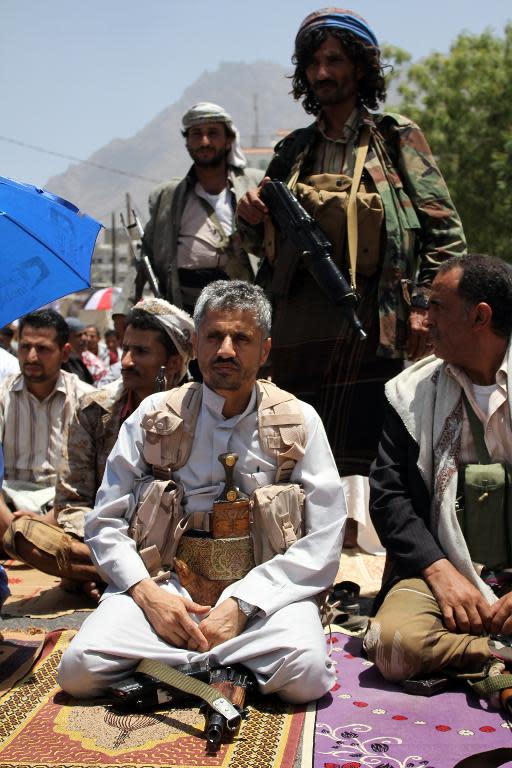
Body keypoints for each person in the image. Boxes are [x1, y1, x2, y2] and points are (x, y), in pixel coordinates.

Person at [58, 280, 345, 705]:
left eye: (241, 338)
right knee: (78, 670)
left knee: (307, 675)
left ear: (264, 350)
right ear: (195, 344)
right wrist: (148, 595)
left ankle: (173, 669)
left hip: (263, 598)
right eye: (213, 336)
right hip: (169, 585)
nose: (225, 350)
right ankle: (224, 668)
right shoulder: (153, 416)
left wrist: (244, 604)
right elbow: (104, 523)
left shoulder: (299, 421)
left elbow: (325, 537)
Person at [238, 8, 466, 480]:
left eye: (334, 60)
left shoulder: (393, 137)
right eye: (313, 63)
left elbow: (444, 234)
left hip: (369, 329)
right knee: (293, 461)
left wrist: (425, 306)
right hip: (296, 333)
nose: (322, 72)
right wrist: (250, 217)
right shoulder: (292, 151)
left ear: (359, 66)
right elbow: (260, 244)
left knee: (370, 466)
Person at [363, 254, 512, 695]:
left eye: (438, 307)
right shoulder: (409, 392)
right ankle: (497, 659)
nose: (424, 321)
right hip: (440, 568)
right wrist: (439, 570)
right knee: (392, 644)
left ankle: (474, 654)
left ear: (480, 317)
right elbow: (389, 497)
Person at [3, 299, 194, 599]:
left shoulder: (200, 413)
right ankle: (122, 576)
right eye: (125, 348)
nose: (126, 361)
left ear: (172, 363)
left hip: (177, 545)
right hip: (106, 539)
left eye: (141, 352)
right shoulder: (94, 410)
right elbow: (73, 502)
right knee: (25, 536)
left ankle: (104, 577)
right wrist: (111, 544)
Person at [114, 102, 264, 328]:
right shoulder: (167, 196)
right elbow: (145, 254)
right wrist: (122, 310)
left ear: (229, 139)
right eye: (197, 134)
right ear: (187, 142)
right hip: (185, 314)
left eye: (213, 133)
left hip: (244, 311)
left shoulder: (255, 183)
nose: (204, 141)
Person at [0, 309, 93, 542]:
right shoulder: (2, 395)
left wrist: (43, 523)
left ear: (65, 353)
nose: (31, 357)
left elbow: (87, 482)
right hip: (6, 504)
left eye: (42, 349)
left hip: (61, 507)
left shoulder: (86, 400)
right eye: (25, 347)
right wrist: (11, 524)